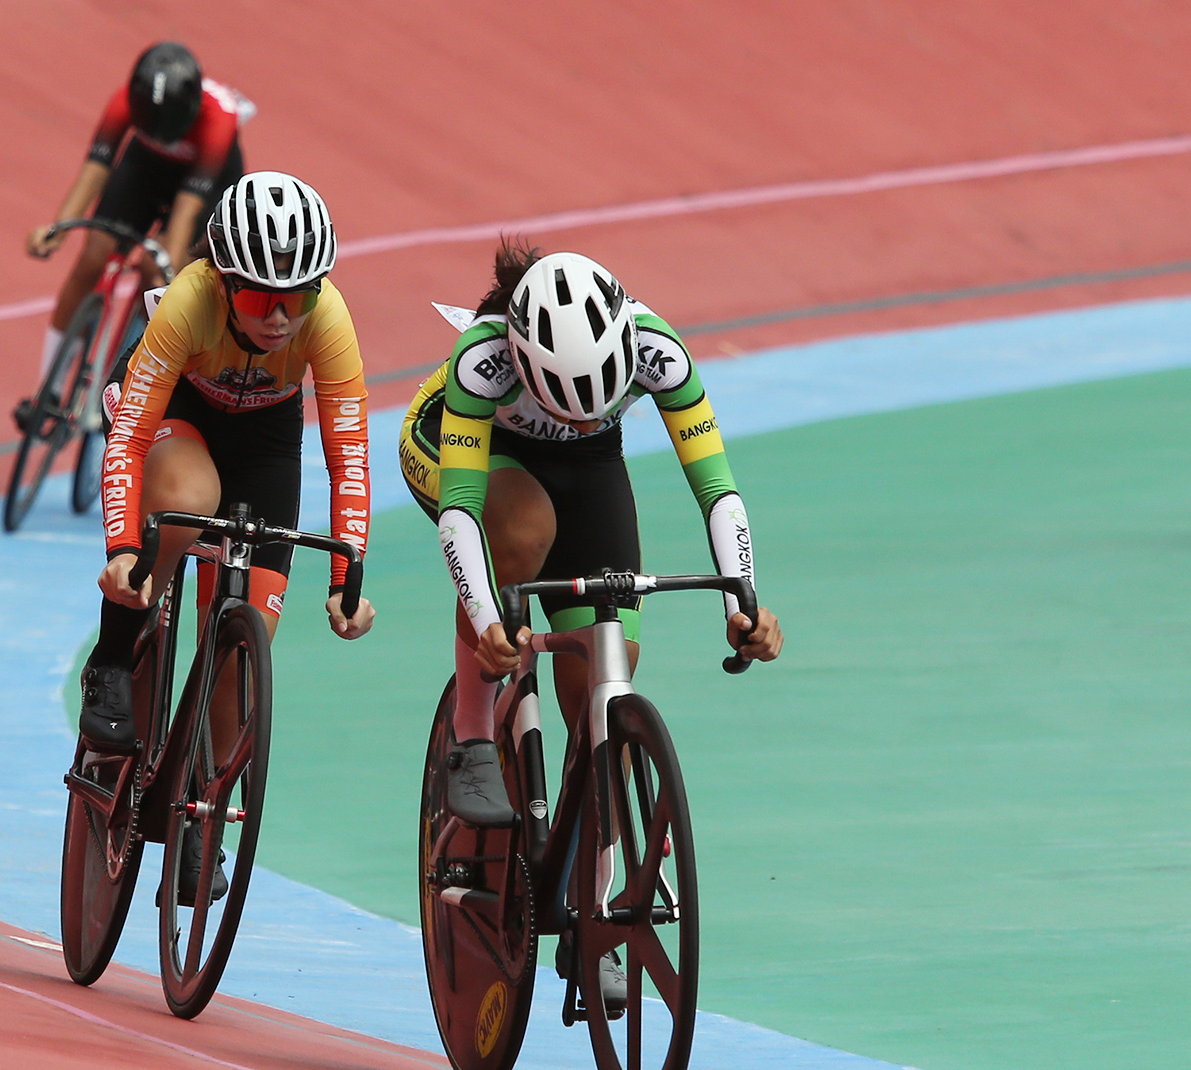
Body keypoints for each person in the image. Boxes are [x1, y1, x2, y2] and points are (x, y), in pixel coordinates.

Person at [400, 241, 783, 828]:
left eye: (599, 402)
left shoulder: (660, 351)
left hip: (589, 465)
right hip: (467, 447)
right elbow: (461, 512)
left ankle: (585, 850)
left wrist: (742, 603)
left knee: (607, 669)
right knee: (523, 527)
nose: (580, 419)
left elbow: (717, 491)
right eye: (566, 406)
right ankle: (471, 735)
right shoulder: (483, 358)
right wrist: (487, 622)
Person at [80, 171, 377, 898]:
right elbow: (127, 440)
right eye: (257, 298)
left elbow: (348, 455)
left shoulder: (329, 319)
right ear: (223, 282)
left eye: (297, 297)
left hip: (265, 440)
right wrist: (124, 553)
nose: (279, 317)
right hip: (176, 407)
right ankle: (113, 661)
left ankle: (199, 810)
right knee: (189, 499)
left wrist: (348, 579)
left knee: (245, 652)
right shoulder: (188, 301)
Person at [19, 42, 251, 426]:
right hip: (145, 169)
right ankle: (50, 389)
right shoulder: (124, 100)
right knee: (92, 256)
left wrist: (167, 266)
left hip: (204, 186)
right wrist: (58, 228)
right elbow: (96, 167)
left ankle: (139, 377)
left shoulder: (219, 118)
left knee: (156, 272)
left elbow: (187, 209)